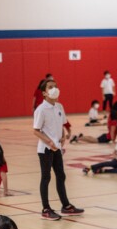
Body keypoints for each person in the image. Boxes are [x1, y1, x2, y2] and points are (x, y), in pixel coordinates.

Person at [33, 78, 83, 221]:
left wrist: (62, 136)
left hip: (57, 148)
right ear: (44, 92)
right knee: (46, 177)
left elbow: (61, 124)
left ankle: (66, 206)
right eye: (50, 87)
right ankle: (46, 209)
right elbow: (36, 130)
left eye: (55, 86)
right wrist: (49, 141)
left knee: (61, 175)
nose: (54, 89)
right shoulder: (41, 109)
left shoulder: (59, 107)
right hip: (46, 149)